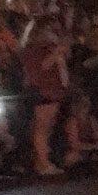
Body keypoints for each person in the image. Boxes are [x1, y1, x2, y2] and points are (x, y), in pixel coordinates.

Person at [22, 18, 70, 176]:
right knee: (41, 129)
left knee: (47, 129)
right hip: (43, 91)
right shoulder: (33, 49)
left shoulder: (48, 48)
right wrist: (57, 53)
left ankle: (41, 161)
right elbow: (41, 67)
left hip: (54, 91)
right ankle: (43, 163)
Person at [63, 94, 98, 167]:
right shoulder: (73, 121)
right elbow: (74, 145)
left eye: (87, 104)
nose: (86, 107)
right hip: (76, 151)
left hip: (90, 150)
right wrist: (93, 146)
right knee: (73, 156)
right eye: (84, 105)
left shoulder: (91, 120)